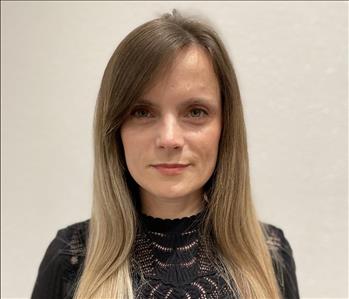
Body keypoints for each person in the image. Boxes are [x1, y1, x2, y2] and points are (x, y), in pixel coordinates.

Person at [31, 9, 300, 299]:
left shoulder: (270, 255)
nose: (169, 139)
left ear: (226, 126)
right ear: (115, 130)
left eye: (195, 111)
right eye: (143, 112)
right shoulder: (70, 258)